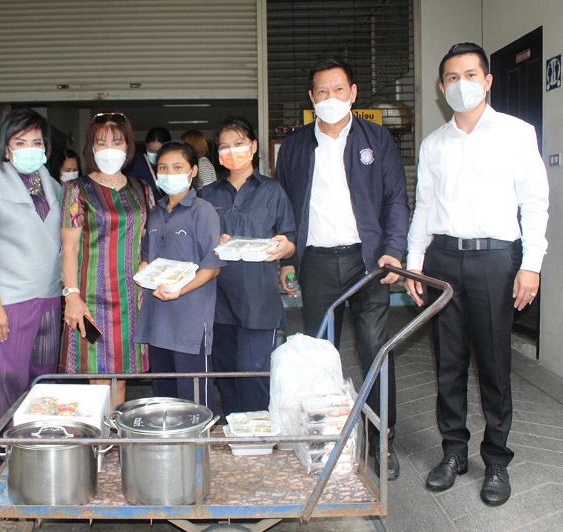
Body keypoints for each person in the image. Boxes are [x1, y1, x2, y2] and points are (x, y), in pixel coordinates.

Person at [404, 42, 549, 506]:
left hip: (495, 261)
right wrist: (414, 263)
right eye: (452, 77)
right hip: (444, 261)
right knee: (448, 363)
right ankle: (453, 452)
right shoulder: (434, 144)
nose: (461, 84)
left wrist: (531, 265)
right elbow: (424, 206)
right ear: (441, 87)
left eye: (470, 75)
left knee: (493, 364)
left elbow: (535, 202)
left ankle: (497, 460)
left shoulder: (516, 133)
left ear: (487, 81)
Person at [274, 59, 409, 480]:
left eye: (338, 90)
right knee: (318, 355)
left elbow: (396, 199)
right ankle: (323, 440)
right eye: (321, 91)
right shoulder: (295, 146)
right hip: (315, 263)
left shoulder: (377, 139)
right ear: (311, 98)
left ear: (352, 93)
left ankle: (382, 440)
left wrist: (394, 250)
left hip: (367, 262)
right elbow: (284, 207)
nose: (330, 98)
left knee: (374, 350)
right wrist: (287, 260)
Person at [0, 109, 63, 444]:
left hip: (49, 300)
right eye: (20, 142)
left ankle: (36, 454)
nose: (29, 149)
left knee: (43, 384)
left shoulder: (55, 188)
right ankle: (0, 459)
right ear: (6, 149)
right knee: (2, 385)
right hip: (7, 302)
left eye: (36, 142)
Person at [200, 116, 296, 414]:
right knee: (226, 373)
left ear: (253, 146)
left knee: (253, 374)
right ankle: (234, 427)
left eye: (239, 144)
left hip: (258, 299)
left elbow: (290, 238)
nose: (232, 151)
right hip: (217, 300)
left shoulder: (273, 190)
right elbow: (196, 243)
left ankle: (257, 432)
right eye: (224, 146)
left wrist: (285, 250)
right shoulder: (208, 195)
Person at [61, 111, 155, 405]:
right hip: (91, 298)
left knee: (121, 377)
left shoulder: (141, 189)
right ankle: (99, 432)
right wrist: (71, 296)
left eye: (117, 142)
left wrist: (147, 261)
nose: (109, 150)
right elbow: (69, 248)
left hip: (131, 299)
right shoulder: (77, 190)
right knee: (98, 376)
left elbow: (149, 237)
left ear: (128, 147)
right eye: (101, 143)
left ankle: (115, 432)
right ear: (91, 148)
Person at [134, 141, 224, 411]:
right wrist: (143, 267)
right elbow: (147, 256)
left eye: (177, 167)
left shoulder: (202, 211)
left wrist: (180, 290)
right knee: (165, 402)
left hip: (190, 324)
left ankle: (199, 441)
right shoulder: (156, 213)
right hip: (158, 322)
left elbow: (212, 267)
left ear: (193, 171)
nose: (169, 174)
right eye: (163, 168)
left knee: (195, 403)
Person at [128, 126, 171, 201]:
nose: (155, 154)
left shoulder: (173, 164)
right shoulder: (137, 162)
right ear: (146, 145)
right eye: (150, 150)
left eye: (159, 151)